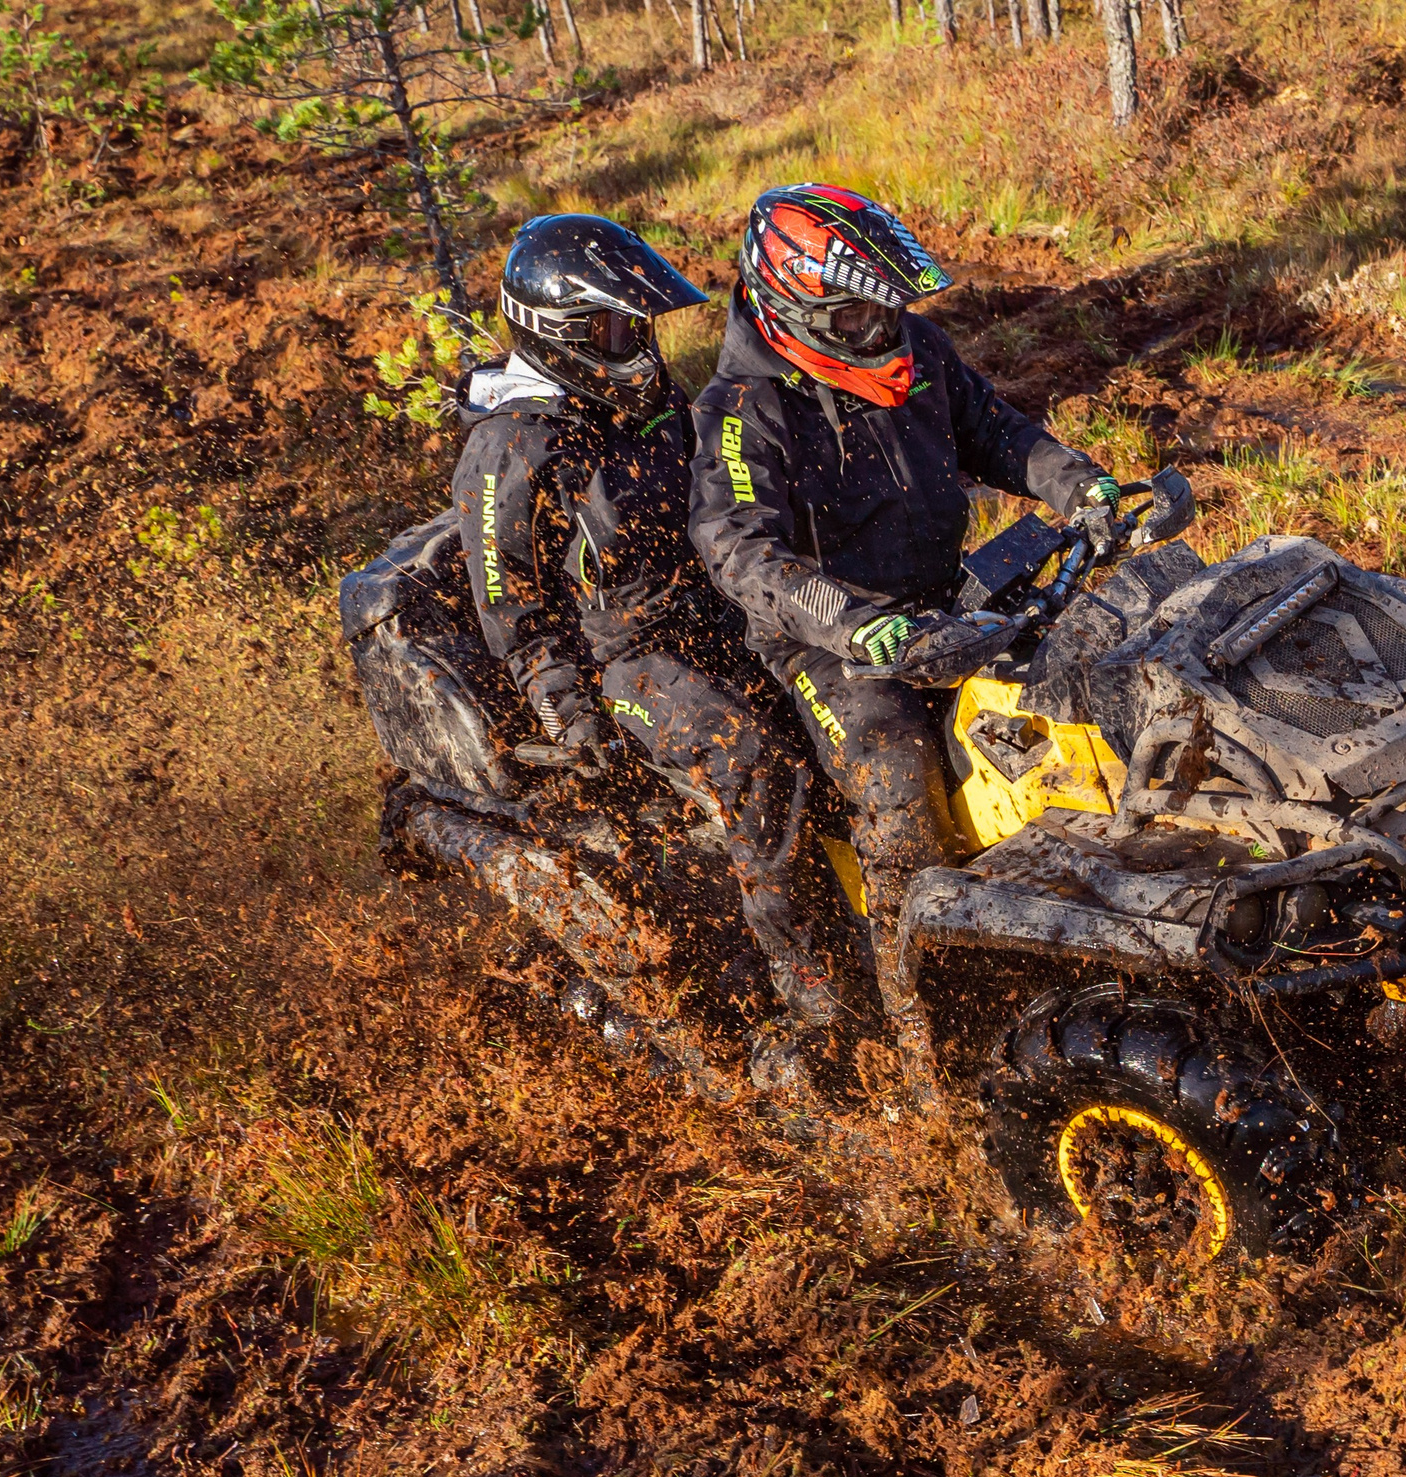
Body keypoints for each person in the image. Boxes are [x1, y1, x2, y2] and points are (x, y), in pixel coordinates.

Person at [687, 184, 1120, 1099]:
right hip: (826, 644)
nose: (883, 328)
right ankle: (917, 1028)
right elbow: (737, 547)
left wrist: (1080, 487)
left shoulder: (914, 348)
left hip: (943, 597)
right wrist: (854, 623)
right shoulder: (742, 407)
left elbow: (995, 430)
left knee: (1098, 689)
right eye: (858, 311)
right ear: (793, 305)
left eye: (889, 306)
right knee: (899, 786)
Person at [455, 212, 841, 1037]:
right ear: (558, 334)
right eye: (612, 327)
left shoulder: (648, 401)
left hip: (721, 609)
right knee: (752, 758)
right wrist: (569, 709)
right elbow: (511, 608)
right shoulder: (511, 447)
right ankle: (814, 991)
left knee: (850, 704)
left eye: (637, 325)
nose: (633, 341)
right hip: (625, 659)